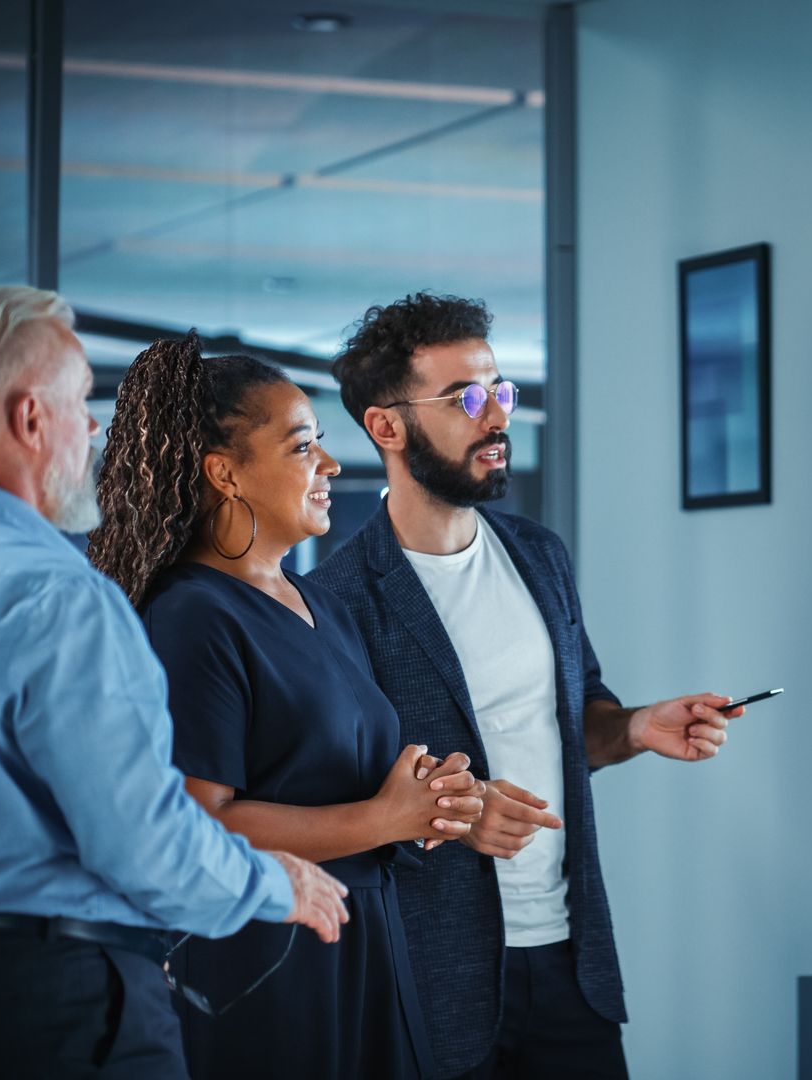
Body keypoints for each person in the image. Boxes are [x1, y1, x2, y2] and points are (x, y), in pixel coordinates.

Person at [0, 287, 350, 1080]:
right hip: (56, 1007)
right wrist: (276, 883)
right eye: (79, 400)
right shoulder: (54, 593)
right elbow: (143, 839)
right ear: (29, 419)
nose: (92, 429)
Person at [311, 292, 743, 1079]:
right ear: (387, 426)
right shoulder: (338, 600)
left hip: (572, 964)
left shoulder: (539, 555)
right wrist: (454, 816)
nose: (496, 416)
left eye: (500, 391)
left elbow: (577, 721)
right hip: (433, 977)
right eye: (466, 398)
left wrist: (638, 726)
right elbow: (337, 799)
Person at [87, 333, 487, 1080]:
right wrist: (382, 818)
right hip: (269, 967)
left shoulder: (317, 604)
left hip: (362, 944)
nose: (331, 465)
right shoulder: (192, 619)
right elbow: (199, 823)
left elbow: (332, 774)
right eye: (303, 447)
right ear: (225, 474)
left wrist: (429, 800)